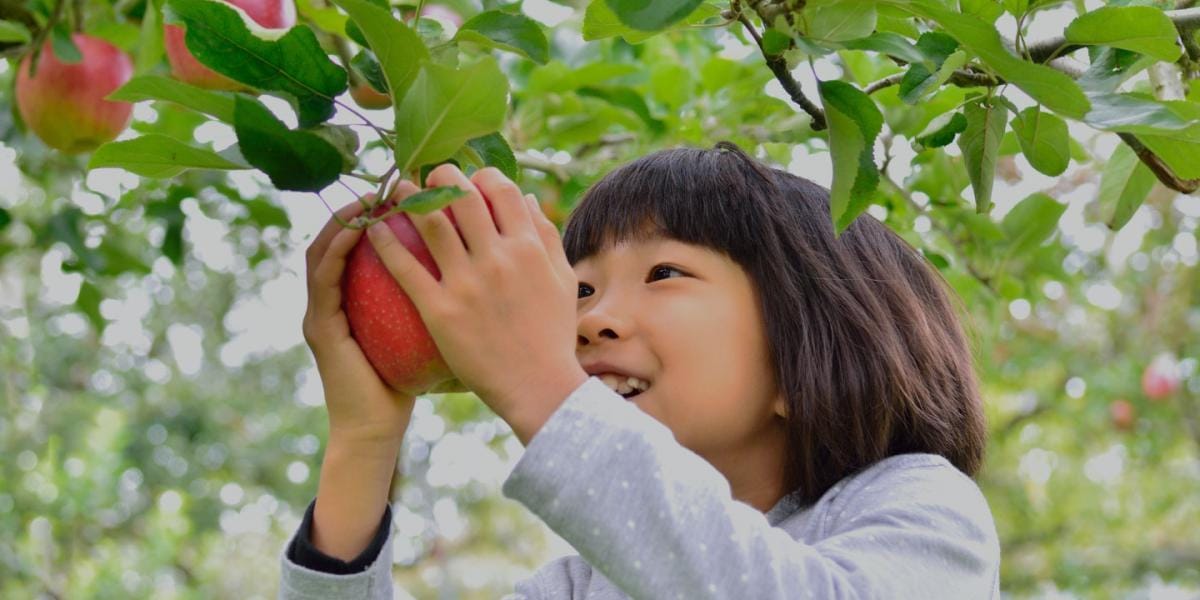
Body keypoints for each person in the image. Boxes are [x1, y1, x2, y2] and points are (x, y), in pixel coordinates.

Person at [279, 141, 1001, 599]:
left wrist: (543, 392)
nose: (589, 321)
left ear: (810, 343)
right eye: (581, 289)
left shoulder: (918, 508)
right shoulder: (582, 586)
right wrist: (364, 443)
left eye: (662, 272)